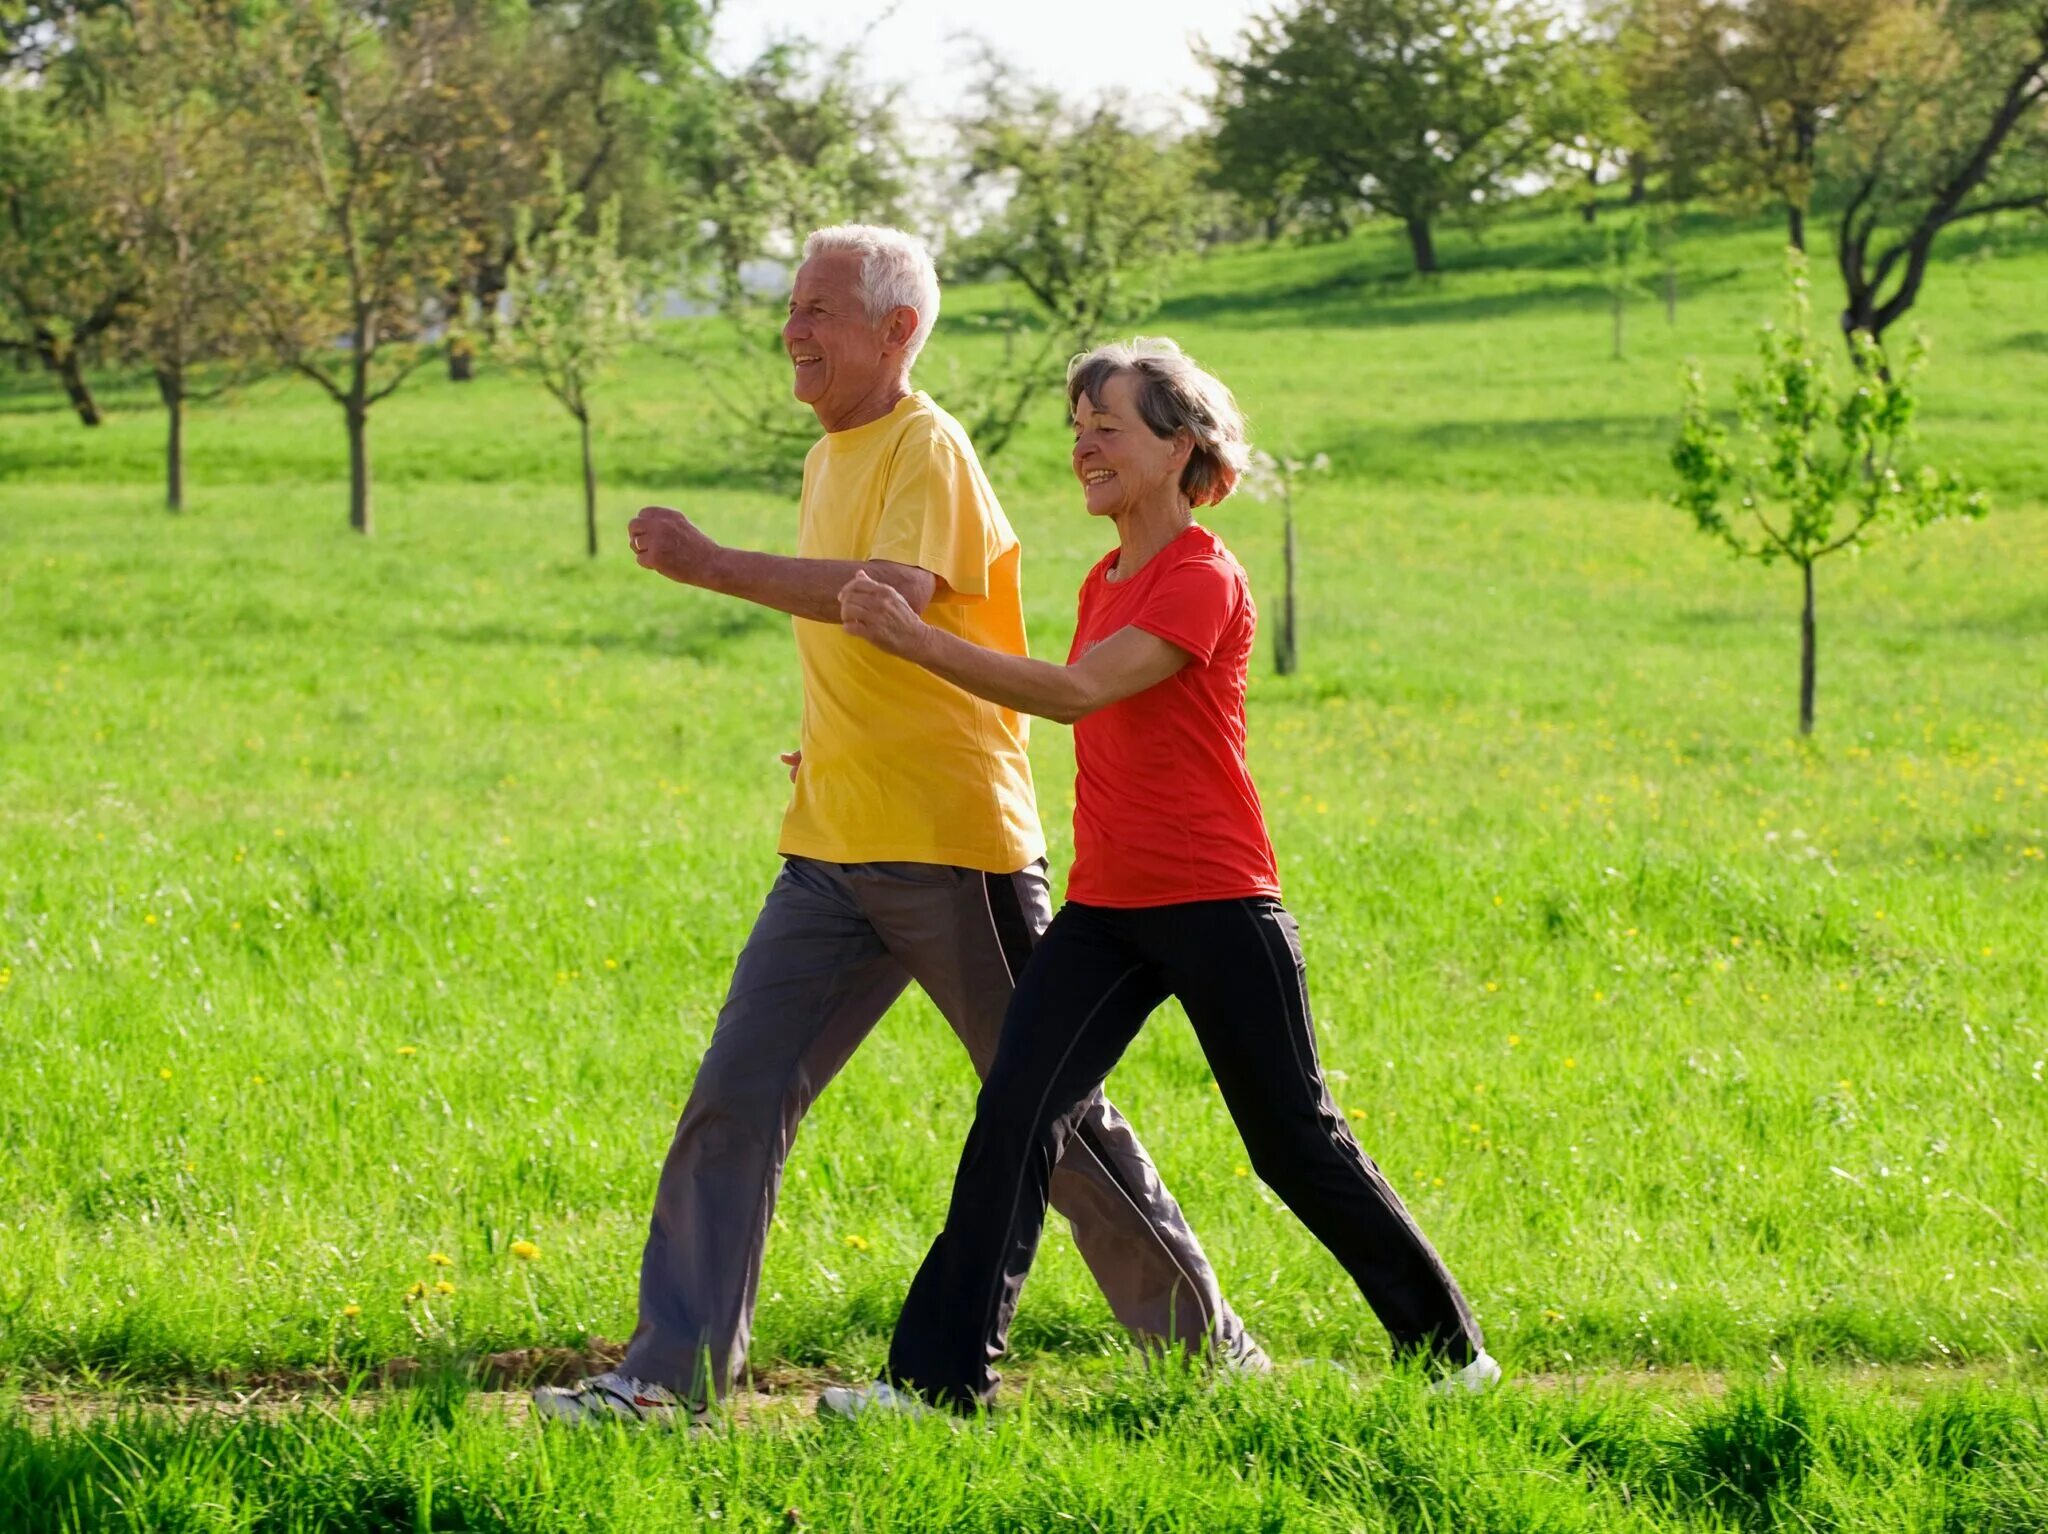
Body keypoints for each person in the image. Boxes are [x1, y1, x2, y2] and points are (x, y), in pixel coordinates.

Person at [533, 231, 1261, 1428]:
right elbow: (859, 639)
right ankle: (666, 1380)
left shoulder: (928, 446)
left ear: (895, 332)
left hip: (950, 844)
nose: (792, 331)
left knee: (1049, 1114)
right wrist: (831, 741)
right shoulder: (831, 454)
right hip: (827, 841)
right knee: (736, 1096)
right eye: (790, 306)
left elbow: (892, 599)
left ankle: (1204, 1346)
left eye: (818, 310)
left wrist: (713, 565)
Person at [821, 338, 1497, 1417]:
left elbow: (1079, 690)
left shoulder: (1201, 576)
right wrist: (852, 748)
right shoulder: (1103, 576)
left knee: (1292, 1143)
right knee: (1013, 1121)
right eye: (1076, 427)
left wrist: (909, 639)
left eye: (1109, 427)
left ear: (1178, 446)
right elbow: (1046, 695)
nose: (1083, 445)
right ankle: (937, 1382)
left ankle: (1450, 1356)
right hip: (1106, 910)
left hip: (1217, 903)